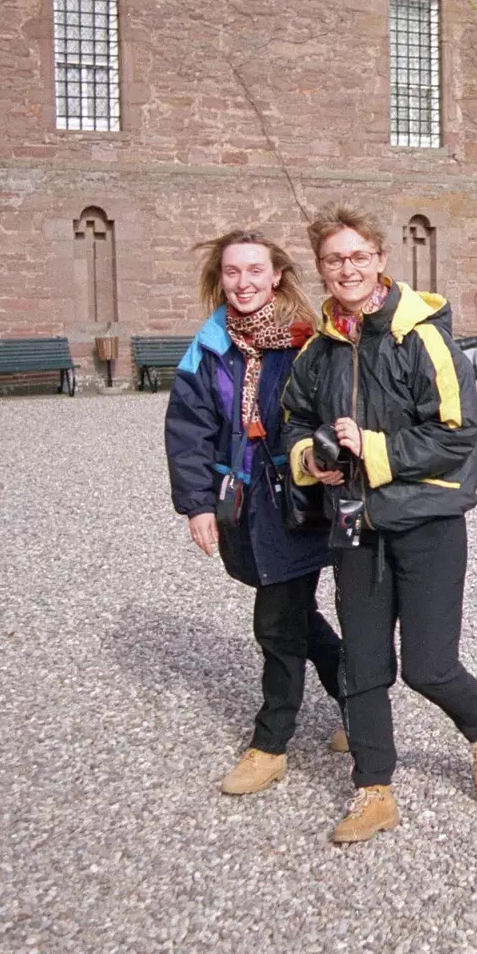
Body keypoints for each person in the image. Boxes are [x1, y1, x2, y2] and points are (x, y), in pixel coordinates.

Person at [281, 203, 477, 844]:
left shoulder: (422, 336)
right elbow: (294, 419)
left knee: (429, 667)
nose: (346, 268)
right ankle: (373, 789)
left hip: (427, 520)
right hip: (354, 523)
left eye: (358, 256)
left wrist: (372, 449)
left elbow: (458, 435)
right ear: (321, 268)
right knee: (363, 662)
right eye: (333, 259)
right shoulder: (319, 349)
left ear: (381, 259)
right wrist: (310, 460)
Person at [165, 229, 347, 796]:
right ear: (220, 279)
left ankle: (270, 743)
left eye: (254, 271)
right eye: (232, 272)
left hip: (297, 500)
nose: (243, 283)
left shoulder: (302, 342)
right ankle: (357, 697)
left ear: (276, 276)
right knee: (291, 612)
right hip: (240, 502)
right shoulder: (209, 346)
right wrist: (196, 504)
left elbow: (330, 412)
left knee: (275, 621)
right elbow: (188, 429)